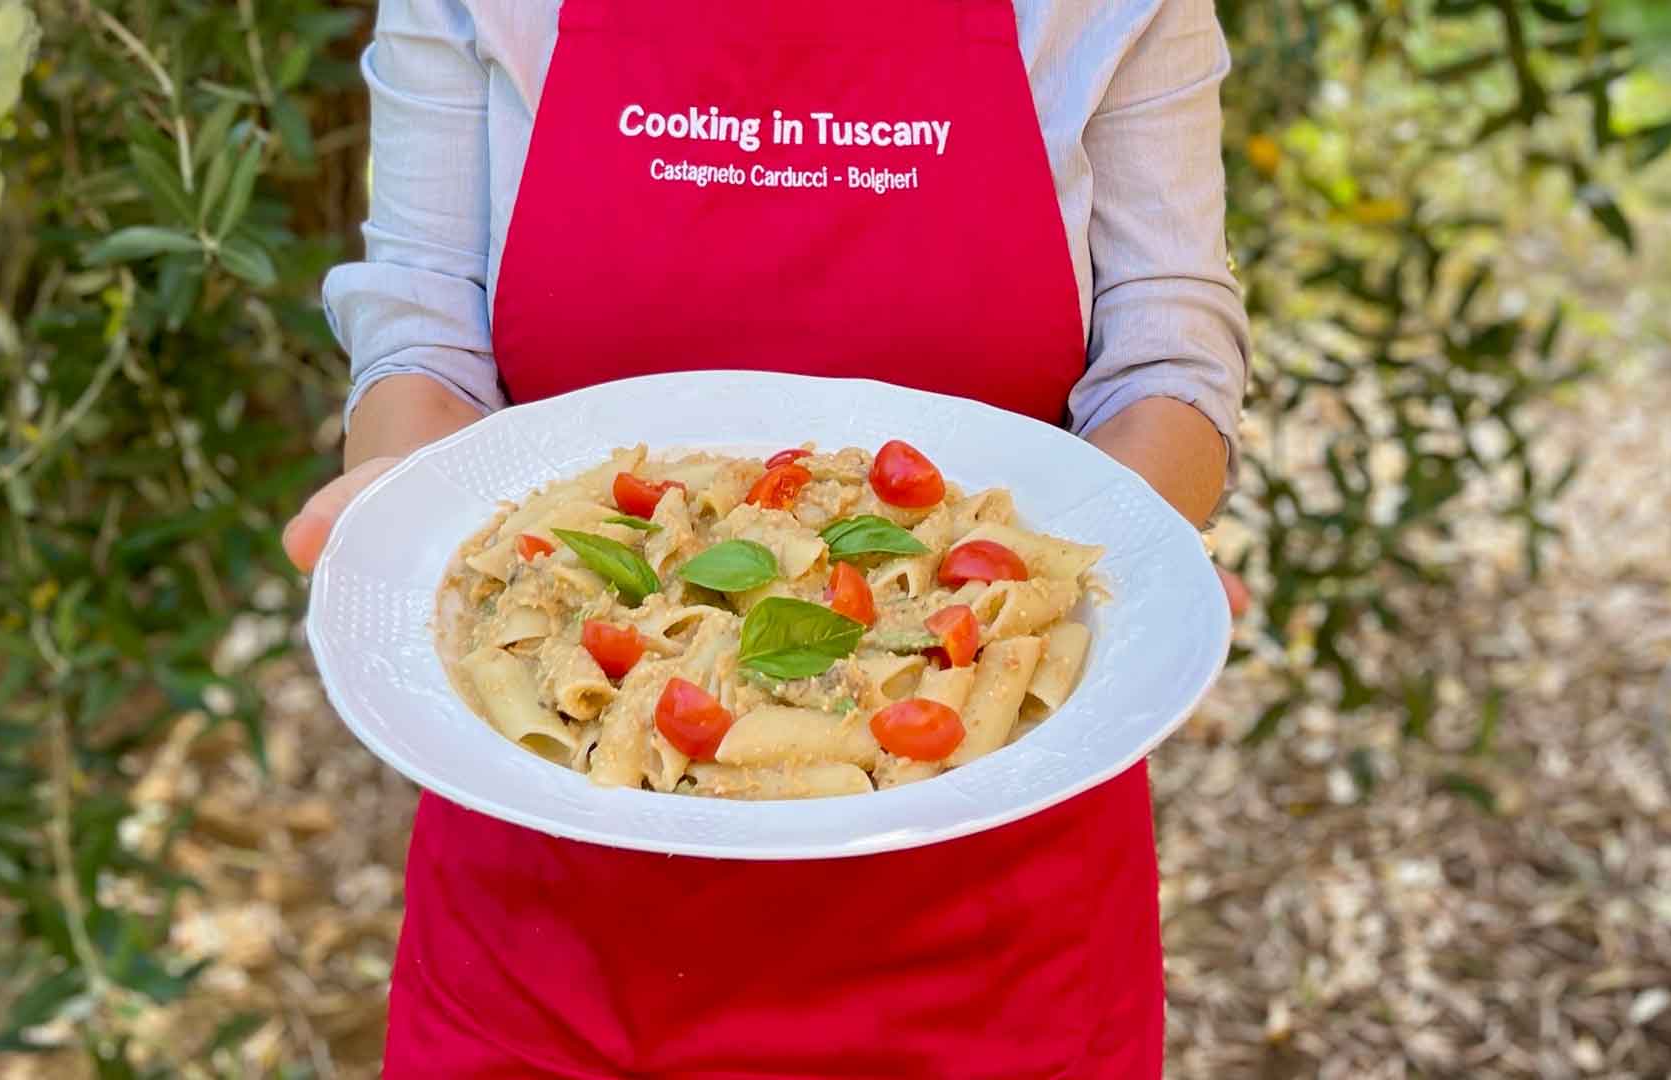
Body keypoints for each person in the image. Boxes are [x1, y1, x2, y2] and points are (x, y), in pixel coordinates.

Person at [287, 0, 1249, 1074]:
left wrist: (1131, 531)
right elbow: (427, 343)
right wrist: (405, 495)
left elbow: (1167, 362)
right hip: (548, 940)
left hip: (1002, 947)